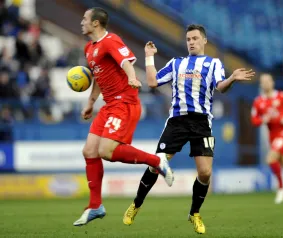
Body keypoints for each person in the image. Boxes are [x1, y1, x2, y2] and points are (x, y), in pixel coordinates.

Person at [123, 24, 255, 234]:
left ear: (204, 41)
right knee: (157, 164)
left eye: (195, 38)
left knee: (205, 172)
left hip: (202, 122)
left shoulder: (214, 64)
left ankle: (194, 213)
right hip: (178, 121)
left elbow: (221, 86)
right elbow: (152, 81)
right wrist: (149, 56)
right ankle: (136, 205)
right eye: (188, 39)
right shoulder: (177, 63)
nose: (191, 42)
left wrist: (231, 79)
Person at [73, 7, 174, 226]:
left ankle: (157, 161)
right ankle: (95, 206)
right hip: (109, 105)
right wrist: (90, 103)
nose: (82, 22)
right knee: (89, 150)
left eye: (85, 19)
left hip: (125, 102)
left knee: (106, 151)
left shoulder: (111, 40)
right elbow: (99, 77)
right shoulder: (89, 49)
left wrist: (131, 78)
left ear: (96, 23)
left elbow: (125, 62)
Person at [251, 73, 283, 204]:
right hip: (272, 136)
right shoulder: (259, 102)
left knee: (270, 159)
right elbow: (254, 120)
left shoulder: (282, 96)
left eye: (268, 81)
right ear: (261, 84)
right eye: (263, 81)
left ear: (272, 82)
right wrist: (262, 119)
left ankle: (281, 188)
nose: (266, 83)